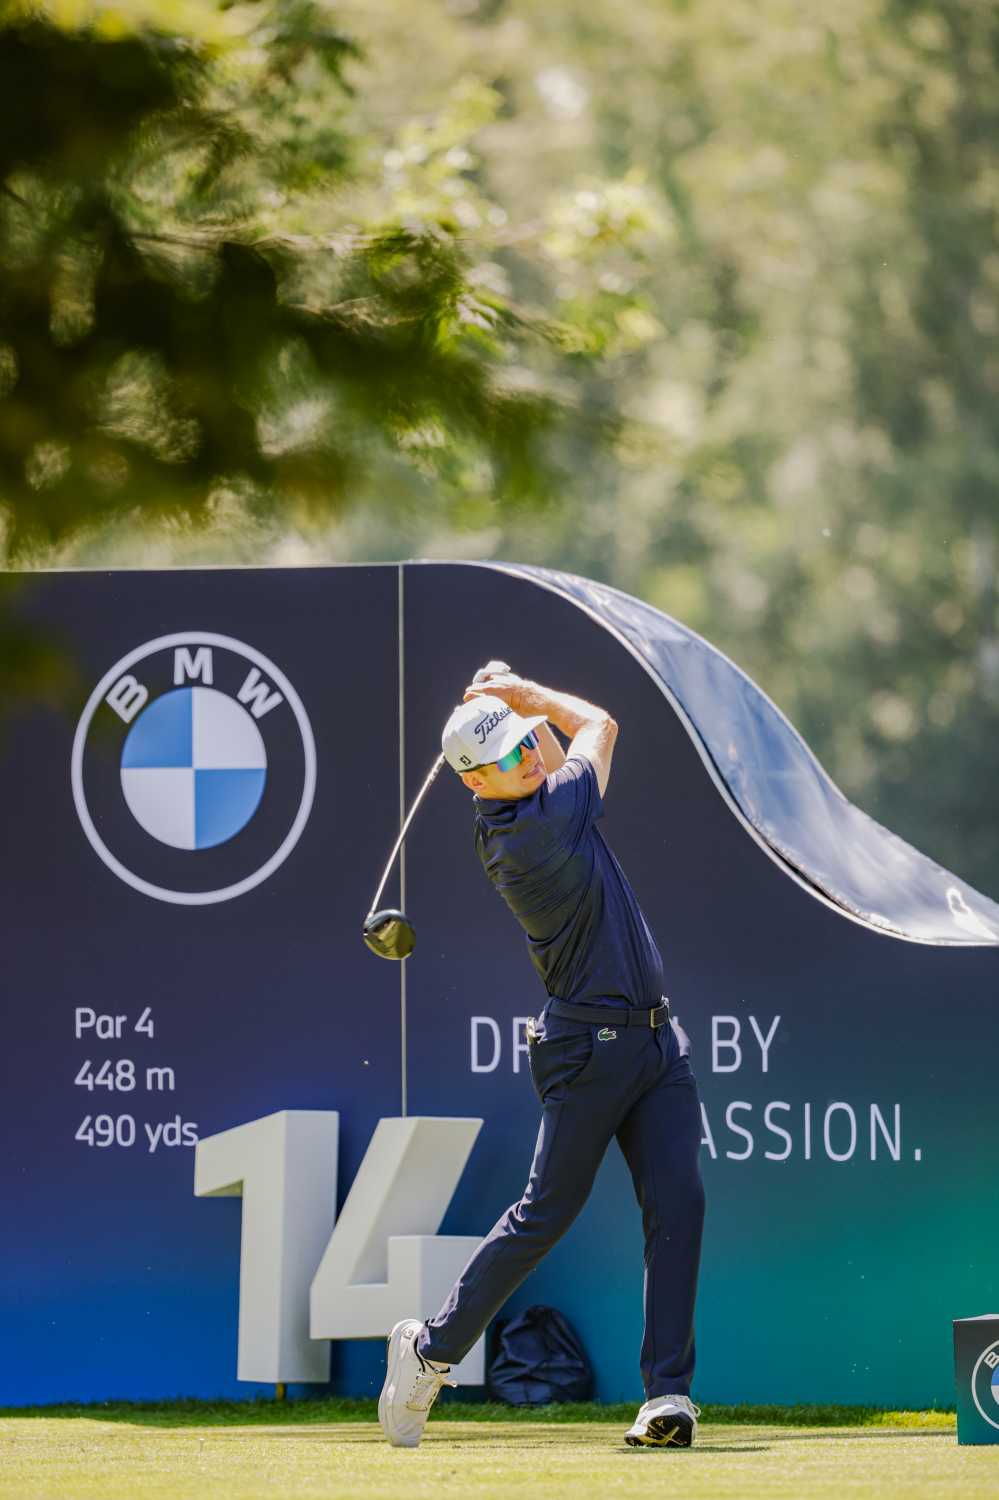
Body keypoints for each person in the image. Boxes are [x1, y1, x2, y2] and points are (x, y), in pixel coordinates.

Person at [377, 668, 705, 1449]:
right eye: (507, 754)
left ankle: (667, 1396)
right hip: (585, 1048)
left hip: (656, 1042)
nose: (527, 755)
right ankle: (430, 1351)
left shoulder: (538, 799)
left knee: (678, 1205)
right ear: (474, 781)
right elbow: (599, 726)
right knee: (544, 1214)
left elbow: (556, 758)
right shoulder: (535, 829)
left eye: (526, 744)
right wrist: (524, 692)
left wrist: (517, 716)